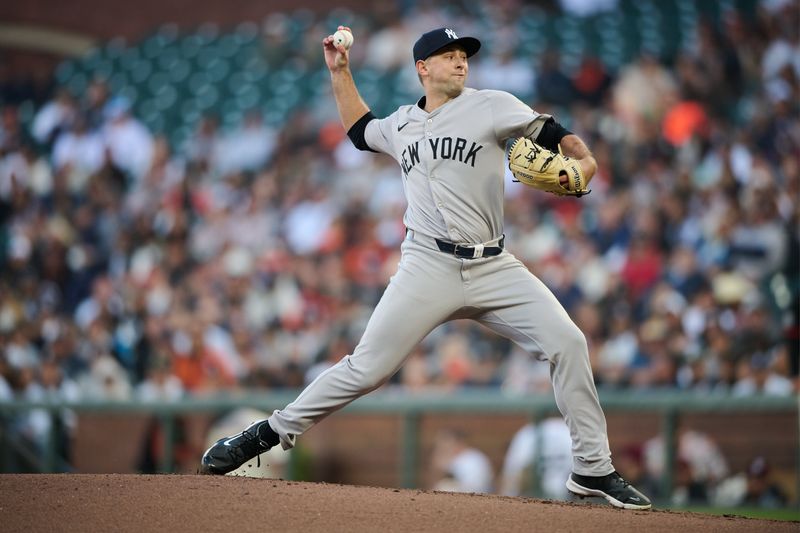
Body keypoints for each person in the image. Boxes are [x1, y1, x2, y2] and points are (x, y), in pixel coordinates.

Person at [200, 25, 651, 510]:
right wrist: (340, 72)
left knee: (569, 342)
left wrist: (581, 157)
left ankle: (593, 469)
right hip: (427, 264)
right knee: (366, 368)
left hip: (494, 264)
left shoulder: (492, 104)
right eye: (448, 55)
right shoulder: (401, 124)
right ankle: (267, 435)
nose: (460, 62)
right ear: (422, 68)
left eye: (464, 55)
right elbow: (359, 130)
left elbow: (549, 131)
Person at [498, 416, 573, 499]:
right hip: (568, 500)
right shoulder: (574, 433)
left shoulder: (527, 433)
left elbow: (510, 481)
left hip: (534, 501)